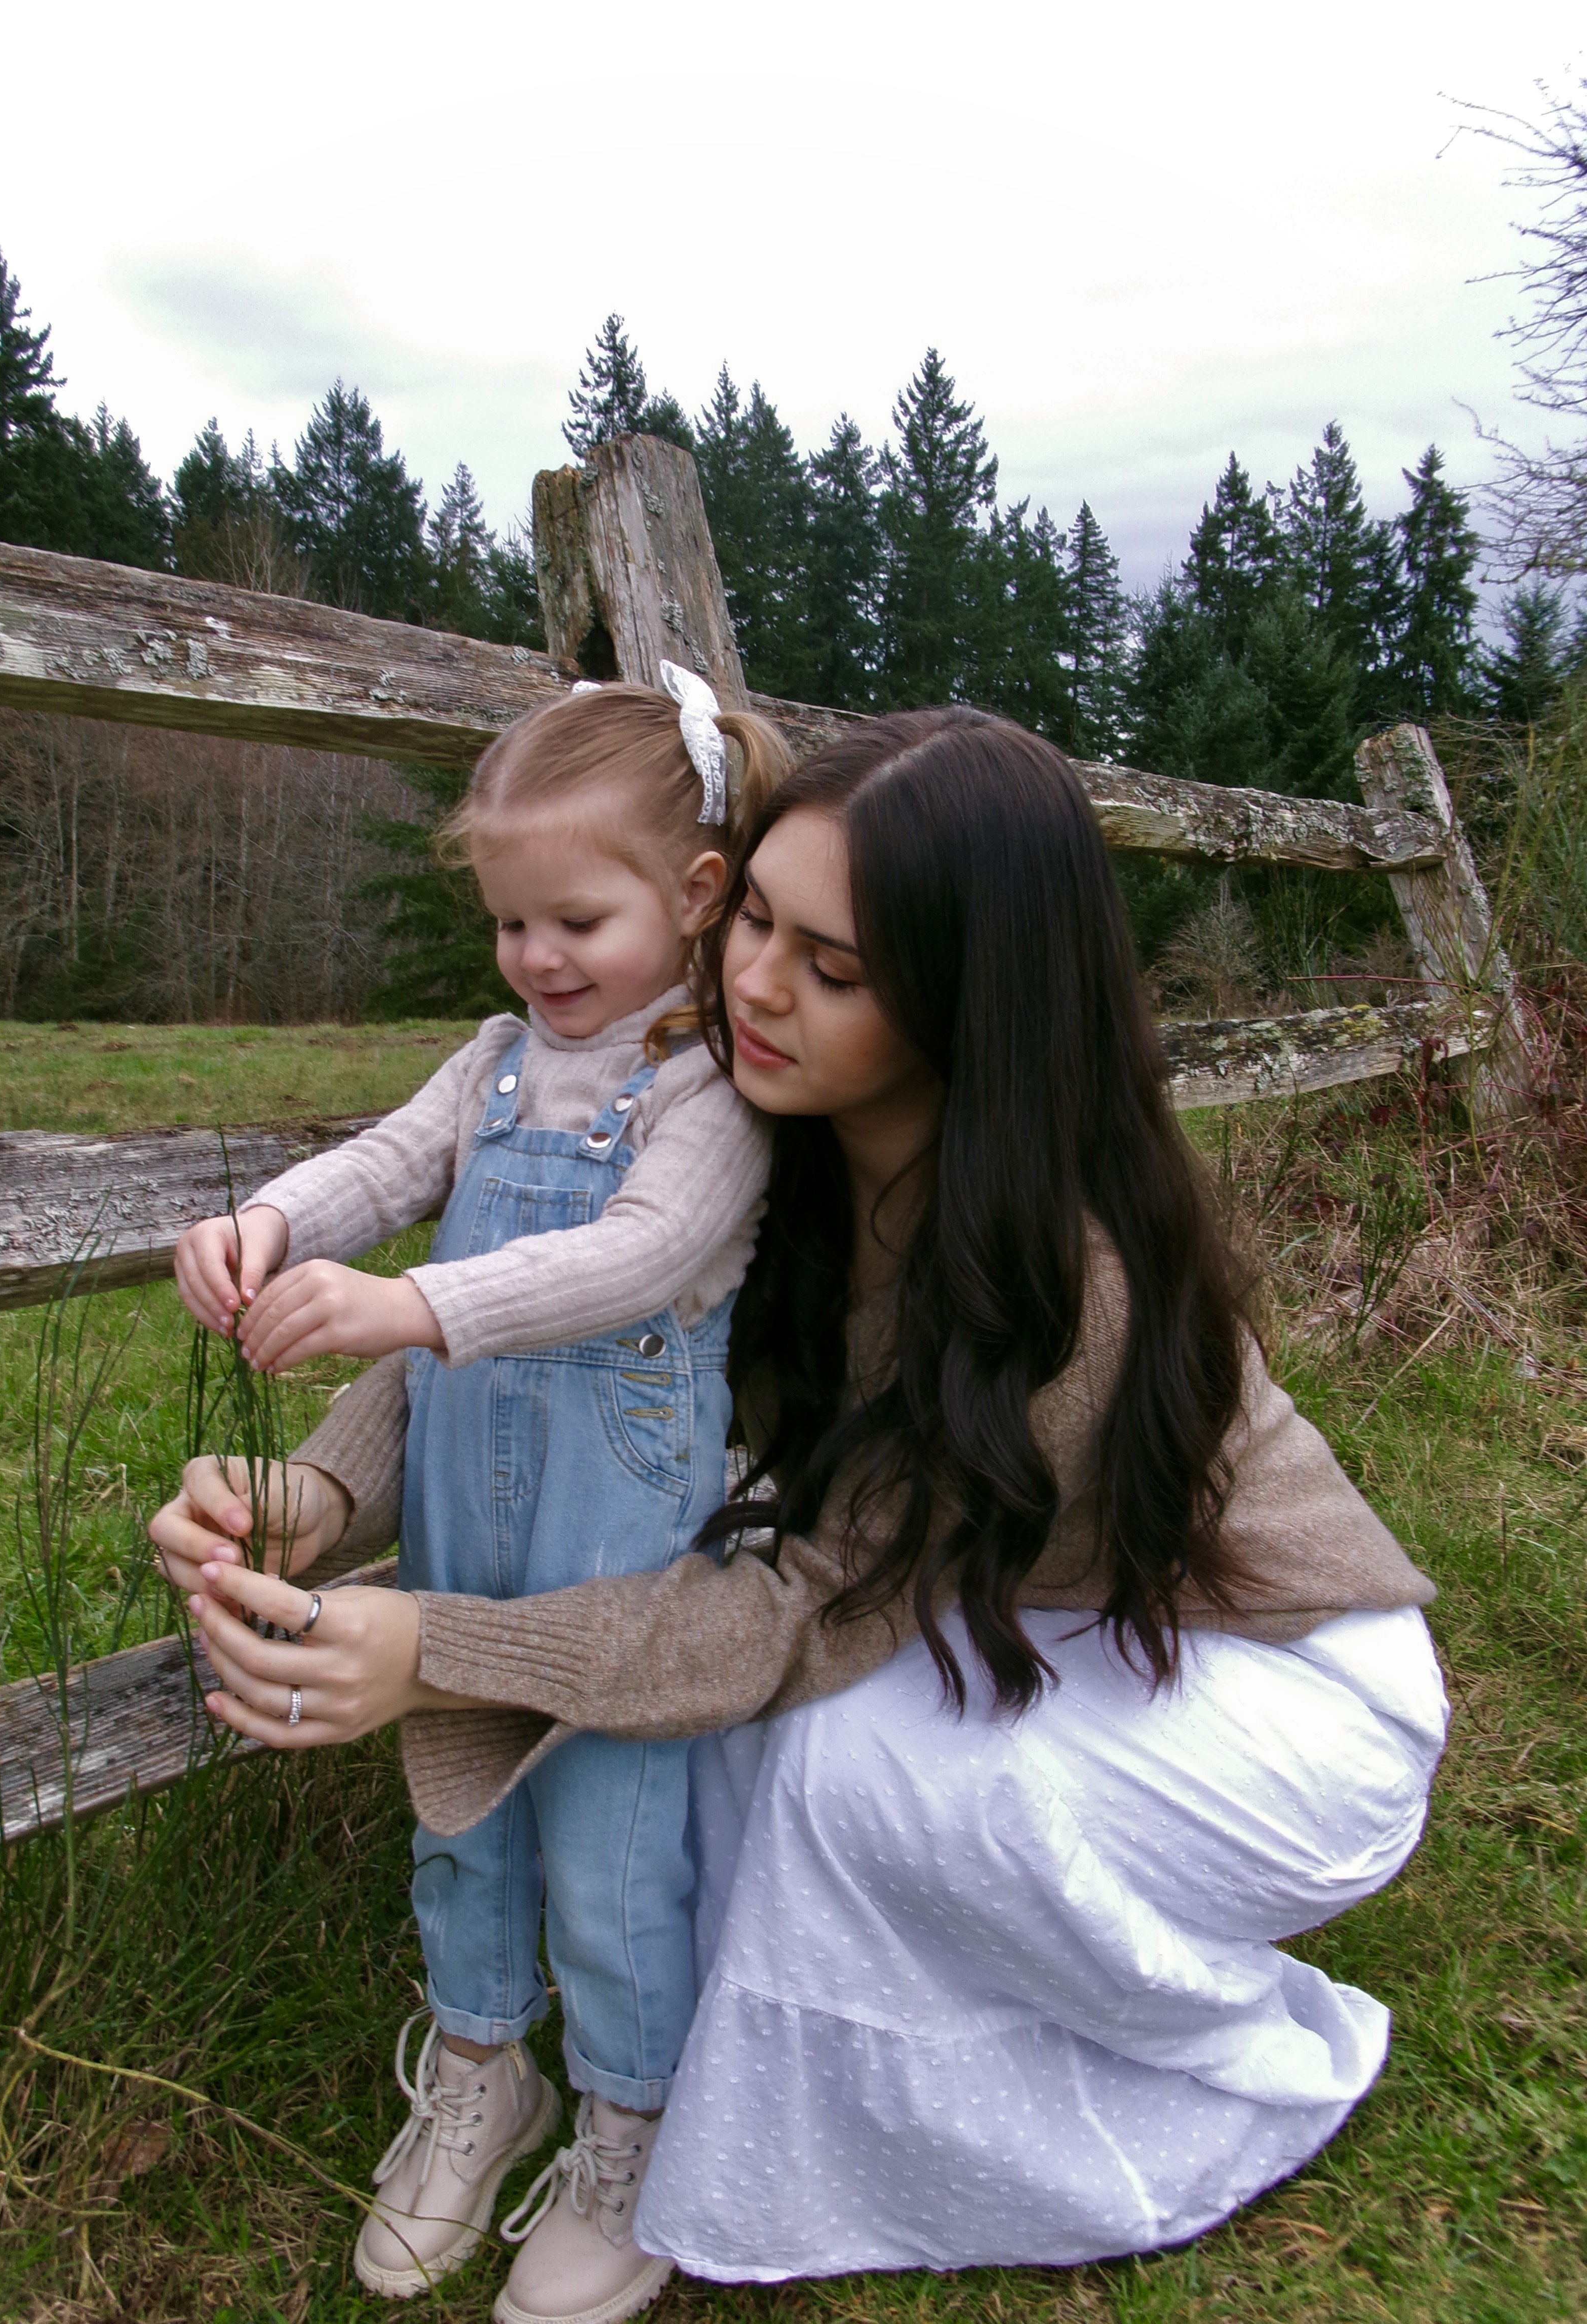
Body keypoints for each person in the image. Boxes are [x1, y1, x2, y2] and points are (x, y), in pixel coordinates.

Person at [153, 708, 1446, 2303]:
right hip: (1035, 1610)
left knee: (847, 1769)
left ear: (975, 1000)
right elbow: (550, 1342)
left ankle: (1161, 2069)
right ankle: (596, 2070)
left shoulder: (1059, 1276)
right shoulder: (746, 1117)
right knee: (721, 1742)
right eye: (754, 916)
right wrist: (326, 1492)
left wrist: (443, 1647)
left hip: (1280, 1695)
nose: (754, 984)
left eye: (833, 968)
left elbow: (802, 1609)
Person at [167, 670, 789, 2314]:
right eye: (511, 924)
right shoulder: (498, 1062)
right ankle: (479, 2075)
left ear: (698, 896)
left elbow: (641, 1257)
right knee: (459, 1817)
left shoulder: (709, 1095)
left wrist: (410, 1306)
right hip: (465, 1524)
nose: (538, 959)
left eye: (576, 919)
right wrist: (278, 1228)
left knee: (609, 1851)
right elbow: (386, 1159)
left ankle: (632, 2134)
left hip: (620, 1557)